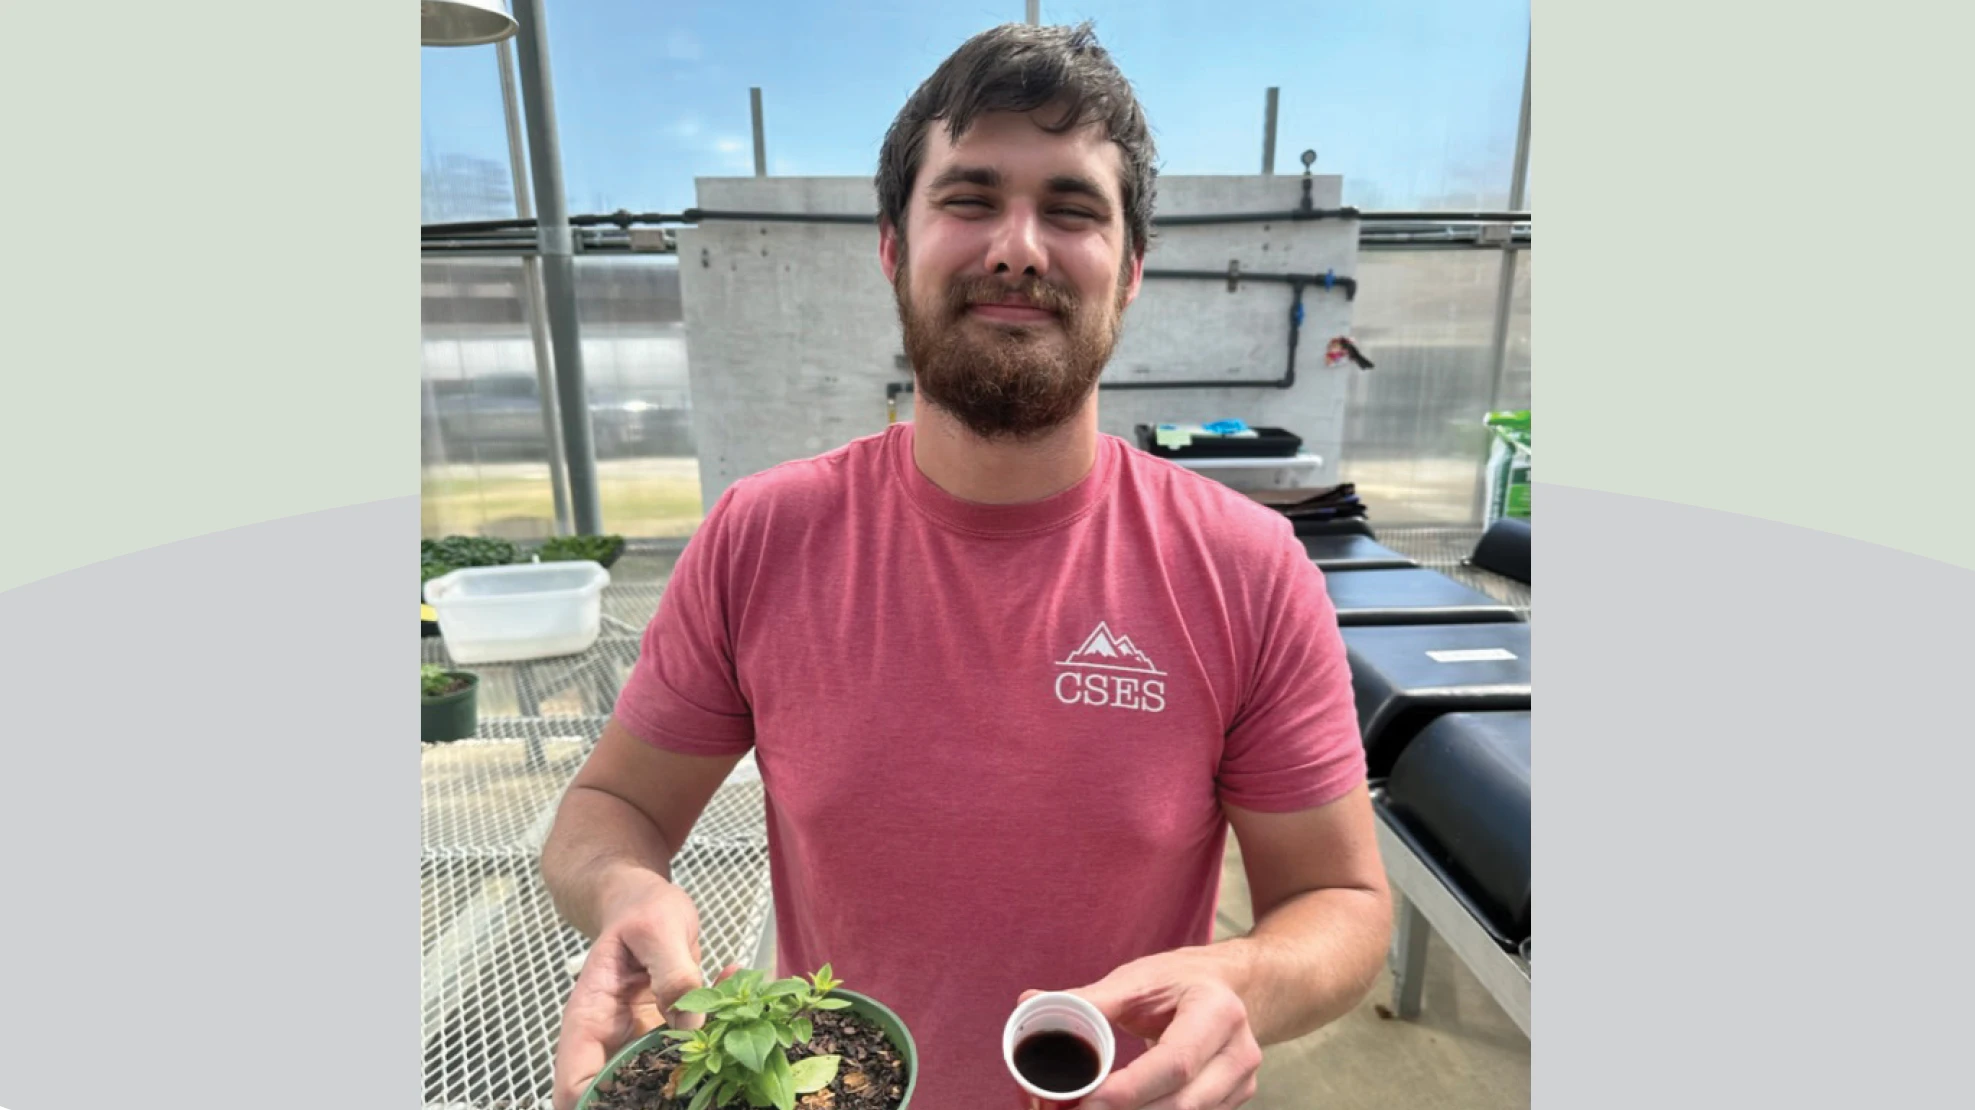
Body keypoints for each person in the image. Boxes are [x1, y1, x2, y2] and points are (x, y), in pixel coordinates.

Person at [542, 22, 1391, 1110]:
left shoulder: (1243, 567)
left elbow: (1338, 894)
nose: (1018, 248)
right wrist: (621, 891)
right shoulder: (764, 537)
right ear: (894, 248)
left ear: (1130, 272)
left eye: (1072, 209)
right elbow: (612, 803)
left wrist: (1246, 980)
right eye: (970, 198)